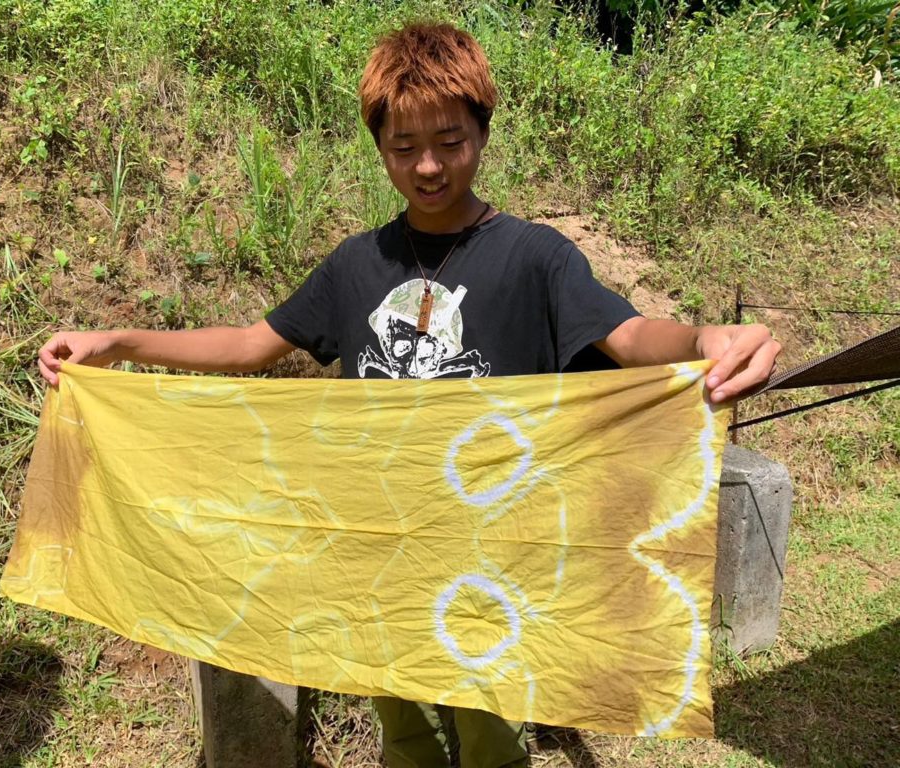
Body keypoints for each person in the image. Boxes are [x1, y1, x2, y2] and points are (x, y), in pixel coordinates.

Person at [38, 22, 780, 768]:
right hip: (381, 549)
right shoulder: (358, 264)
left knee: (491, 735)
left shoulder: (535, 258)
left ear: (482, 133)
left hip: (495, 550)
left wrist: (702, 338)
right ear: (379, 147)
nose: (428, 166)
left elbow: (629, 334)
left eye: (450, 142)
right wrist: (119, 343)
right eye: (404, 148)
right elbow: (248, 344)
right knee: (404, 731)